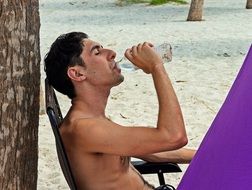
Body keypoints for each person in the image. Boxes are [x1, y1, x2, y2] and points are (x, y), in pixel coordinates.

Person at [44, 32, 196, 190]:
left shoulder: (93, 120)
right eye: (97, 52)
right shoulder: (84, 129)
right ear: (77, 73)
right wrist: (156, 67)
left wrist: (207, 155)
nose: (111, 53)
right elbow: (174, 136)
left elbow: (152, 153)